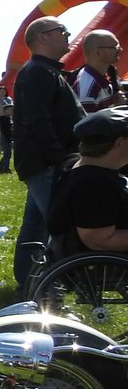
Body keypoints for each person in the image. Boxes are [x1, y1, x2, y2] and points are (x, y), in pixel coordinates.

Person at [13, 15, 84, 286]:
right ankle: (57, 282)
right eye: (62, 31)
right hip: (47, 165)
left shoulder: (46, 71)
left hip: (44, 164)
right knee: (59, 225)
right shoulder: (38, 72)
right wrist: (62, 160)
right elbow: (38, 122)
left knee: (36, 227)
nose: (68, 36)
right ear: (43, 37)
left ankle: (29, 281)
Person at [46, 109, 128, 256]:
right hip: (102, 265)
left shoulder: (76, 163)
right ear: (119, 143)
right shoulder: (94, 184)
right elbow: (100, 241)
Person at [72, 29, 125, 113]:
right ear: (97, 52)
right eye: (115, 47)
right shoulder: (87, 87)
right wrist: (118, 108)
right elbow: (87, 120)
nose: (120, 50)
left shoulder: (109, 73)